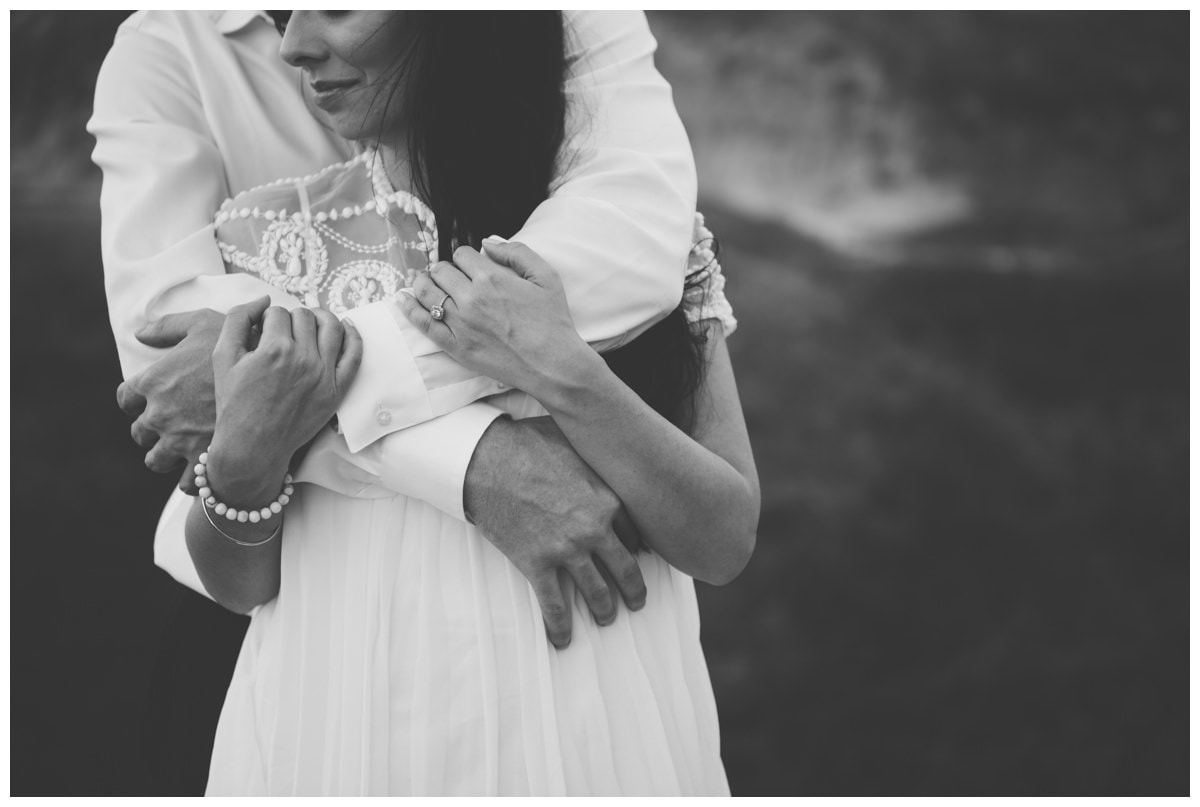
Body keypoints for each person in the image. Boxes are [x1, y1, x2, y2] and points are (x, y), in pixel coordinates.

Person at [93, 10, 757, 795]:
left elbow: (723, 536)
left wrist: (568, 373)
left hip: (594, 713)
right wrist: (256, 438)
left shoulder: (611, 241)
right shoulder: (282, 249)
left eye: (335, 6)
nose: (293, 43)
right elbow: (236, 578)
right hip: (348, 717)